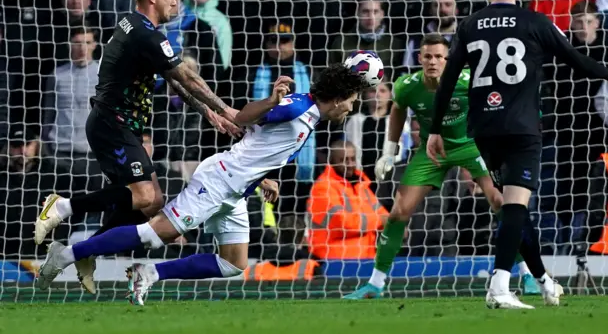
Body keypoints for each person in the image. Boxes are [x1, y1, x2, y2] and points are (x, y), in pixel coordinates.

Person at [36, 65, 367, 305]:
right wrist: (269, 101)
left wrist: (265, 178)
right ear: (338, 99)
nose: (351, 108)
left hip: (236, 190)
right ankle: (65, 254)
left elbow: (258, 143)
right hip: (219, 180)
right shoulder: (297, 108)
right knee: (152, 234)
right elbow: (242, 118)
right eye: (351, 101)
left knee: (232, 264)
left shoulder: (307, 115)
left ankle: (149, 274)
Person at [426, 0, 608, 309]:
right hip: (521, 126)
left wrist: (435, 130)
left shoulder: (469, 25)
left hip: (484, 128)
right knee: (515, 206)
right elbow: (575, 59)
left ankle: (544, 281)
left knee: (514, 208)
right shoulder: (535, 21)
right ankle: (499, 287)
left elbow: (447, 81)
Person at [34, 0, 242, 294]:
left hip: (125, 125)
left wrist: (208, 113)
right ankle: (62, 208)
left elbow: (175, 80)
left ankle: (85, 250)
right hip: (111, 124)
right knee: (146, 197)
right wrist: (225, 109)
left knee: (145, 201)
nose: (176, 0)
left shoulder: (131, 23)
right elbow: (185, 77)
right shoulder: (147, 34)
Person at [344, 33, 502, 299]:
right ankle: (376, 283)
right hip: (430, 152)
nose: (433, 62)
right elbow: (397, 111)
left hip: (467, 146)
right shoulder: (407, 85)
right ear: (419, 58)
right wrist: (389, 152)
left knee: (499, 201)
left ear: (448, 59)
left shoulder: (468, 80)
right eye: (427, 56)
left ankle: (526, 272)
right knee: (398, 213)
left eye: (439, 56)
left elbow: (491, 107)